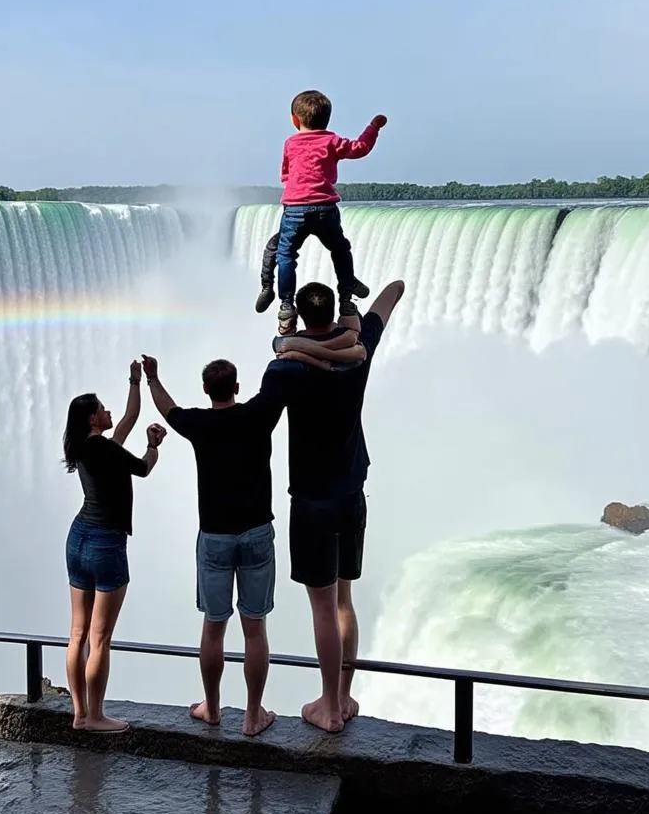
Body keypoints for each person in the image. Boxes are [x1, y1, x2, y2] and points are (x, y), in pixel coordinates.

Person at [259, 278, 405, 733]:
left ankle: (329, 709)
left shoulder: (285, 370)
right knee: (344, 600)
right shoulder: (357, 352)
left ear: (300, 317)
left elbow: (257, 422)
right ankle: (342, 696)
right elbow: (394, 291)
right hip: (350, 495)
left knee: (322, 606)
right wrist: (356, 304)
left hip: (311, 499)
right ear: (332, 315)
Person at [141, 353, 282, 737]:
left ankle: (214, 709)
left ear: (206, 390)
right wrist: (282, 351)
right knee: (255, 630)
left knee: (214, 627)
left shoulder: (199, 424)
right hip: (256, 533)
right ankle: (253, 717)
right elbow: (277, 388)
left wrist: (153, 377)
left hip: (215, 538)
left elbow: (168, 410)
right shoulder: (258, 414)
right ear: (237, 387)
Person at [62, 360, 167, 733]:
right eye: (102, 409)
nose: (109, 412)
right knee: (100, 638)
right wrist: (154, 446)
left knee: (77, 634)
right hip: (106, 544)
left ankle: (78, 713)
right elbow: (143, 467)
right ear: (93, 418)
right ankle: (95, 716)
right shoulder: (106, 450)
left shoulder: (86, 447)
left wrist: (135, 381)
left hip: (78, 539)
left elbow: (129, 416)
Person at [261, 89, 388, 334]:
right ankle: (346, 298)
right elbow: (360, 148)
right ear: (327, 119)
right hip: (325, 209)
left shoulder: (290, 143)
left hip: (295, 209)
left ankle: (286, 306)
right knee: (340, 250)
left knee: (286, 255)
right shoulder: (331, 141)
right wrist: (374, 127)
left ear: (294, 120)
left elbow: (285, 174)